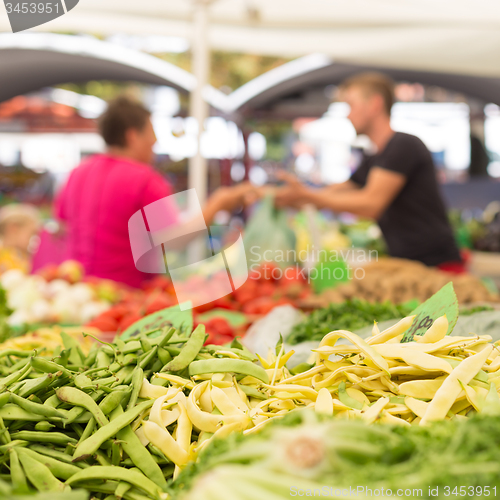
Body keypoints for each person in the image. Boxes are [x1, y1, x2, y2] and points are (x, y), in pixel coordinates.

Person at [56, 96, 256, 288]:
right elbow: (174, 240)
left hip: (78, 291)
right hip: (127, 294)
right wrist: (218, 204)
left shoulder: (78, 172)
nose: (155, 142)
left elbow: (62, 228)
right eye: (151, 133)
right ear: (133, 136)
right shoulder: (144, 179)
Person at [275, 72, 463, 270]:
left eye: (351, 105)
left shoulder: (404, 145)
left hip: (437, 266)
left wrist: (310, 197)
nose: (348, 114)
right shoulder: (374, 157)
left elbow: (370, 204)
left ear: (374, 104)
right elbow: (335, 191)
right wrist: (292, 196)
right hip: (409, 264)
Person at [0, 204, 40, 274]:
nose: (33, 239)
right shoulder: (3, 256)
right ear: (13, 229)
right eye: (31, 234)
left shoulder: (23, 256)